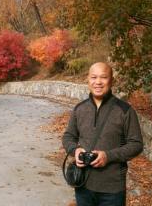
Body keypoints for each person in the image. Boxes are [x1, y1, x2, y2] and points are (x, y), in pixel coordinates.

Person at [62, 62, 143, 206]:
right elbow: (68, 136)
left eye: (103, 77)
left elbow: (136, 144)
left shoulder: (125, 111)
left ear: (111, 81)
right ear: (88, 79)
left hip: (112, 189)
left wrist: (108, 156)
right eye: (94, 77)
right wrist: (75, 150)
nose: (98, 82)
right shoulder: (79, 109)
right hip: (83, 185)